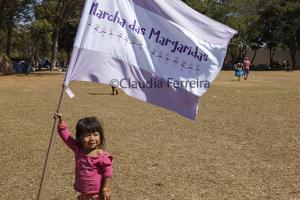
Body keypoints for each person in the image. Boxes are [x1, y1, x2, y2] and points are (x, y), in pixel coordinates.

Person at [54, 113, 113, 200]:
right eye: (87, 135)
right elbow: (66, 137)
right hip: (84, 193)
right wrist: (61, 122)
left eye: (95, 135)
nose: (92, 138)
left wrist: (106, 189)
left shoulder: (103, 156)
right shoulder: (78, 149)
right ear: (80, 137)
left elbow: (108, 174)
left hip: (97, 195)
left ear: (101, 135)